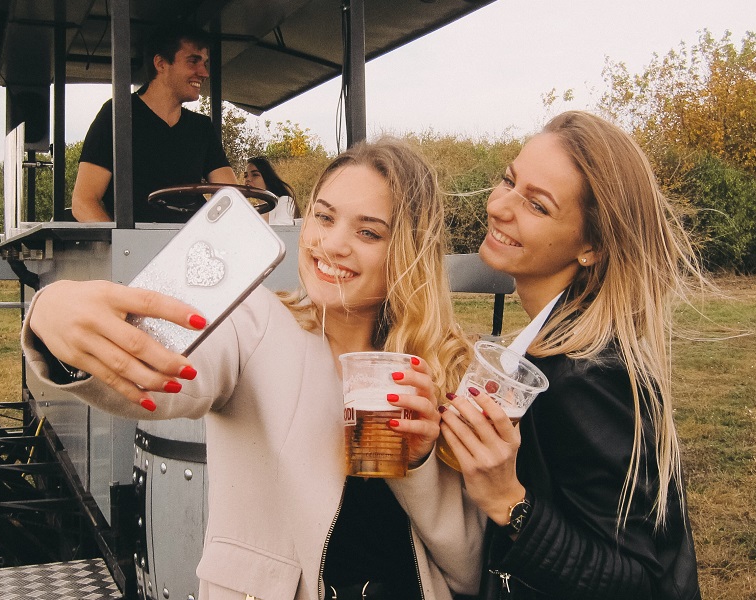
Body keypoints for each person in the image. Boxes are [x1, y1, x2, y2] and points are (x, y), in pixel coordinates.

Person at [24, 139, 482, 600]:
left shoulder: (438, 367)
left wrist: (420, 463)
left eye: (369, 233)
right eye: (323, 217)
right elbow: (156, 378)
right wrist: (54, 316)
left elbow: (466, 569)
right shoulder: (255, 323)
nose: (332, 244)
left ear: (409, 250)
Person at [439, 111, 704, 599]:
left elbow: (639, 583)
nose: (500, 206)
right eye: (509, 181)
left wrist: (510, 503)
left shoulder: (588, 375)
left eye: (537, 206)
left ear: (591, 247)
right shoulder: (550, 342)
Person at [72, 23, 237, 223]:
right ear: (160, 64)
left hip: (193, 246)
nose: (204, 73)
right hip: (137, 248)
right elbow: (83, 202)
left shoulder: (202, 127)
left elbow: (232, 200)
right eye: (193, 61)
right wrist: (124, 248)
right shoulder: (118, 116)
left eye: (205, 63)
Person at [245, 155, 300, 225]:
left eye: (255, 175)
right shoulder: (253, 211)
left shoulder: (284, 201)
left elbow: (283, 230)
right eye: (245, 176)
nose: (248, 179)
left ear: (267, 178)